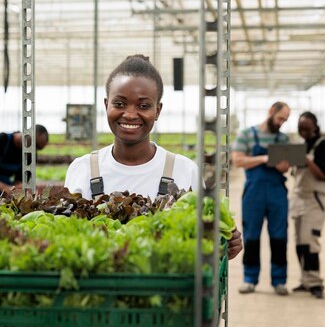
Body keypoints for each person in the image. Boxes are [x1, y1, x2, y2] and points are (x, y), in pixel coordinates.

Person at [64, 54, 242, 260]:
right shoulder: (83, 168)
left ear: (158, 110)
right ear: (106, 105)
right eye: (119, 104)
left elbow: (201, 241)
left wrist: (224, 242)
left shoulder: (183, 170)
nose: (130, 114)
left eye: (143, 106)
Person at [232, 101, 291, 295]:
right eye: (280, 118)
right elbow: (238, 159)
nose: (282, 122)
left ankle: (279, 280)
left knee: (279, 236)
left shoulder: (283, 139)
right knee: (251, 235)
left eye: (285, 120)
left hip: (277, 191)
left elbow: (286, 166)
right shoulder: (247, 134)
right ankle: (249, 279)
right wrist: (264, 159)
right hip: (254, 192)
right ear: (271, 112)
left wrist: (282, 165)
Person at [289, 112, 325, 299]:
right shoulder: (302, 145)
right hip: (300, 198)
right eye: (301, 128)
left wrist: (307, 160)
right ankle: (305, 280)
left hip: (316, 199)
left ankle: (315, 282)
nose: (304, 131)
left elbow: (322, 174)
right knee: (300, 241)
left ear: (315, 126)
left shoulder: (324, 146)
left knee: (310, 241)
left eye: (307, 128)